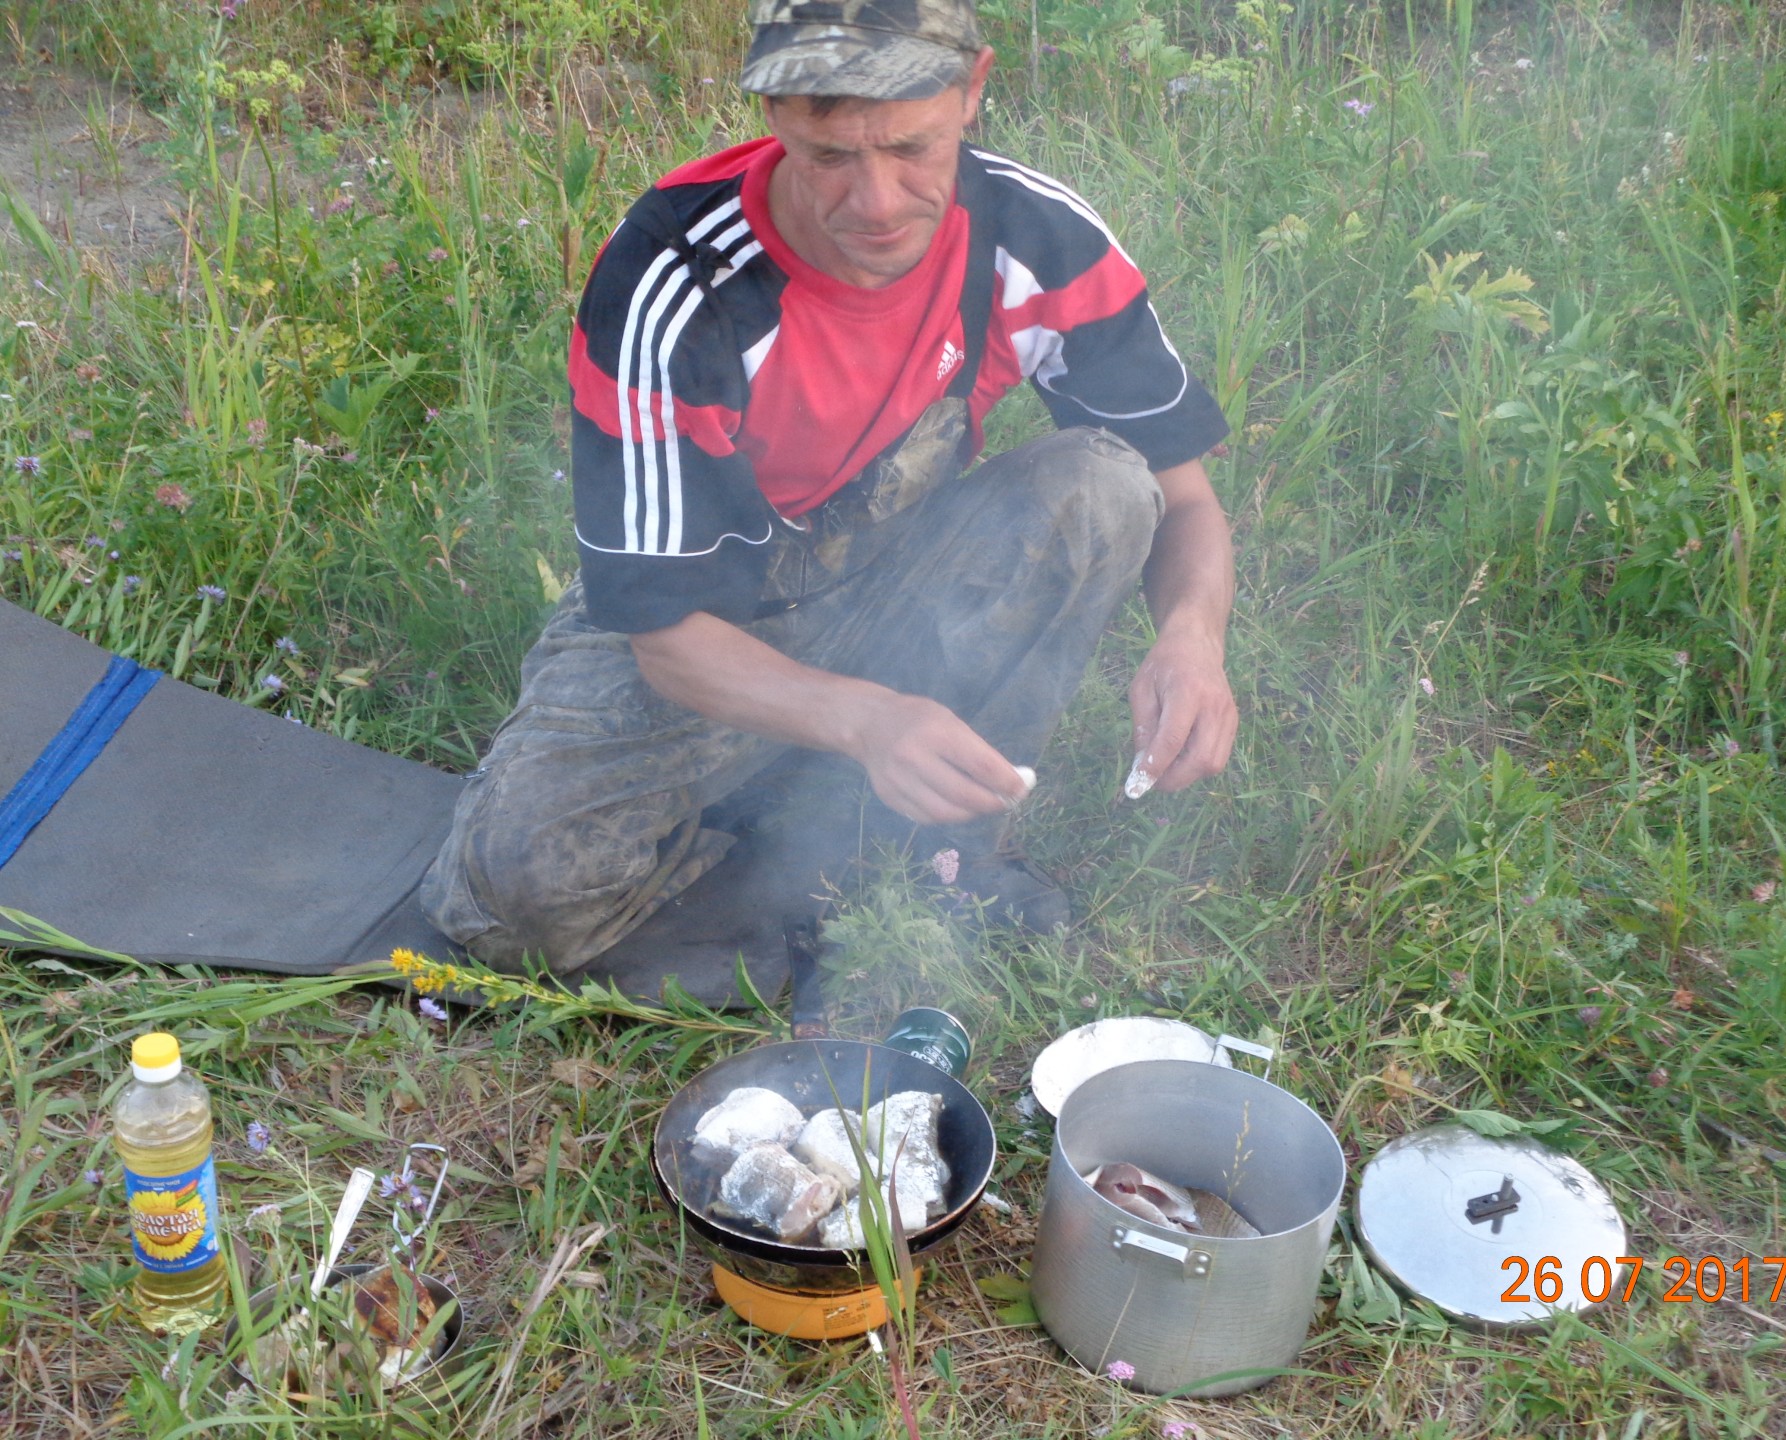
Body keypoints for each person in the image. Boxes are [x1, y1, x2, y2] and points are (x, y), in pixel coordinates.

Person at [418, 0, 1240, 1001]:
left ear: (973, 90)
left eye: (911, 148)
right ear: (773, 115)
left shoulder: (1037, 237)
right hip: (703, 628)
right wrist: (867, 721)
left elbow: (1183, 500)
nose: (877, 201)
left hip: (892, 580)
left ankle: (945, 855)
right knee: (516, 902)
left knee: (1102, 486)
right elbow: (665, 635)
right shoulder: (678, 276)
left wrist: (1192, 638)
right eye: (830, 156)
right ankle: (805, 833)